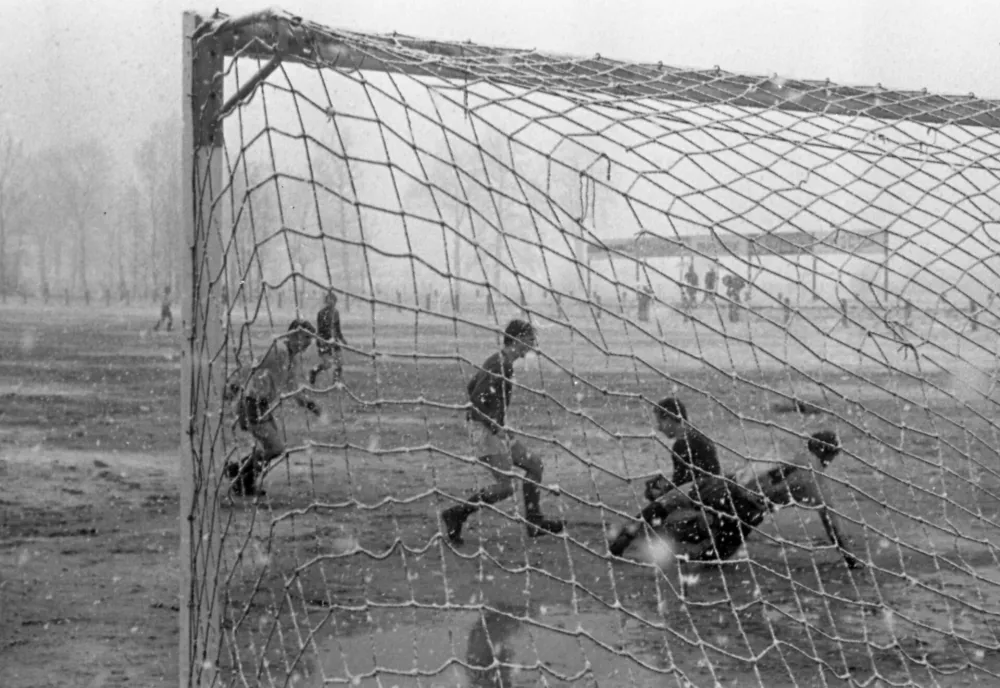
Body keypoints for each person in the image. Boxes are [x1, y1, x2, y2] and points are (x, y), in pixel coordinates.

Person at [441, 319, 564, 544]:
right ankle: (457, 514)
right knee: (505, 487)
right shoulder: (501, 365)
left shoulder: (499, 361)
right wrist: (493, 426)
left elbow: (472, 385)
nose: (533, 345)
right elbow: (477, 399)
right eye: (530, 339)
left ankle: (534, 522)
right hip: (484, 429)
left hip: (492, 427)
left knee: (535, 465)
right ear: (517, 339)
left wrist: (496, 420)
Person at [608, 397, 722, 557]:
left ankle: (623, 541)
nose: (659, 427)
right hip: (714, 496)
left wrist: (660, 491)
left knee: (654, 510)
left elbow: (681, 488)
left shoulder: (682, 444)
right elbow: (691, 478)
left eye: (660, 422)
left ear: (669, 418)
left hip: (702, 498)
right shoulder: (698, 436)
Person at [224, 319, 322, 497]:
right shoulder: (278, 351)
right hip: (251, 403)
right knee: (275, 448)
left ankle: (237, 471)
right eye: (306, 338)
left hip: (261, 406)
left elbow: (292, 387)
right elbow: (251, 367)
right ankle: (241, 479)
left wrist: (309, 404)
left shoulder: (292, 357)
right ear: (293, 335)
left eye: (310, 339)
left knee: (270, 448)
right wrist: (233, 386)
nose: (308, 343)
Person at [309, 290, 347, 386]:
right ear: (326, 301)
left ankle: (336, 381)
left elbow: (337, 328)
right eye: (329, 300)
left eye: (333, 300)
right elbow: (321, 329)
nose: (331, 303)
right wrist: (322, 341)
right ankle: (314, 372)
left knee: (340, 362)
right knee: (327, 364)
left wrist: (342, 339)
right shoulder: (321, 313)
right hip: (324, 340)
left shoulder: (336, 313)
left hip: (334, 341)